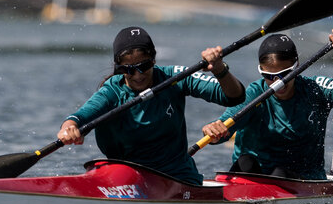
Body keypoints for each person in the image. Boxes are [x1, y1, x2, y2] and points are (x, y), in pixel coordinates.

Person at [57, 26, 245, 185]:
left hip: (177, 177)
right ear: (118, 67)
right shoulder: (112, 91)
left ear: (154, 59)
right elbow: (81, 116)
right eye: (128, 70)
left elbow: (234, 97)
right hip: (124, 176)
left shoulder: (175, 77)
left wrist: (219, 69)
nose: (138, 75)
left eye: (144, 66)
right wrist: (69, 127)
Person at [200, 28, 333, 180]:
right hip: (250, 176)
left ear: (297, 66)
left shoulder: (316, 90)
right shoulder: (253, 95)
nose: (276, 82)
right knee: (246, 162)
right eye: (268, 76)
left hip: (301, 178)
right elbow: (222, 129)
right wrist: (214, 131)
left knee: (279, 173)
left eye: (284, 75)